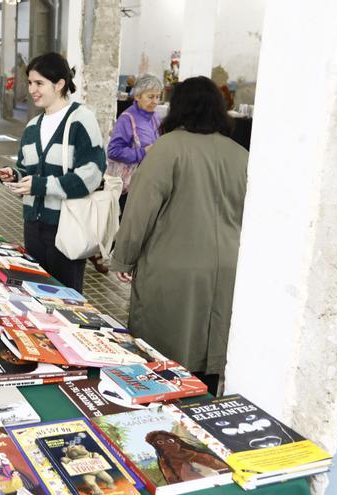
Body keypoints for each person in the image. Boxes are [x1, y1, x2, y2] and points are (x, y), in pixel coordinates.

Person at [111, 76, 247, 394]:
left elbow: (139, 211)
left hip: (172, 270)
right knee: (210, 356)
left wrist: (123, 259)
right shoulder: (240, 155)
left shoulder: (166, 149)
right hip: (227, 271)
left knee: (163, 361)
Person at [0, 52, 106, 294]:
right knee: (35, 295)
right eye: (30, 82)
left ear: (60, 84)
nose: (32, 89)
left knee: (65, 298)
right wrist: (14, 176)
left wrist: (41, 185)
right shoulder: (33, 127)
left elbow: (92, 174)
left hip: (66, 225)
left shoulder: (81, 120)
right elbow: (28, 173)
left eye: (39, 83)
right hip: (33, 225)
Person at [92, 74, 165, 274]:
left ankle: (104, 253)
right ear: (138, 97)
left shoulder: (156, 118)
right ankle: (105, 254)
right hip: (127, 184)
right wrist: (143, 152)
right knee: (122, 223)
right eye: (150, 96)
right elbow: (113, 151)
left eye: (158, 97)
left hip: (146, 180)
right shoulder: (127, 119)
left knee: (131, 223)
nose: (155, 102)